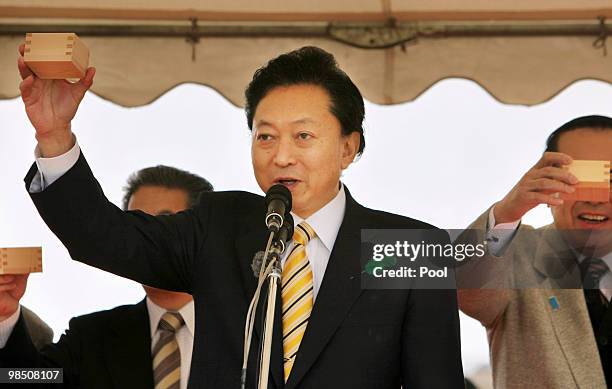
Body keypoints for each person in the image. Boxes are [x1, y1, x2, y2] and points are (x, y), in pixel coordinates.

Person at [12, 44, 464, 388]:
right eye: (265, 137)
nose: (282, 156)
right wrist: (55, 135)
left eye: (303, 136)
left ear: (349, 146)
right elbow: (104, 237)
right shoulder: (219, 225)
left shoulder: (409, 247)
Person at [0, 165, 213, 389]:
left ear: (201, 234)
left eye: (164, 225)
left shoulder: (246, 329)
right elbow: (19, 378)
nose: (148, 241)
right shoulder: (91, 337)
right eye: (136, 227)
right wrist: (5, 315)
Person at [458, 115, 612, 388]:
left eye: (608, 178)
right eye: (580, 178)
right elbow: (466, 291)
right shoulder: (515, 253)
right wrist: (508, 211)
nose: (595, 197)